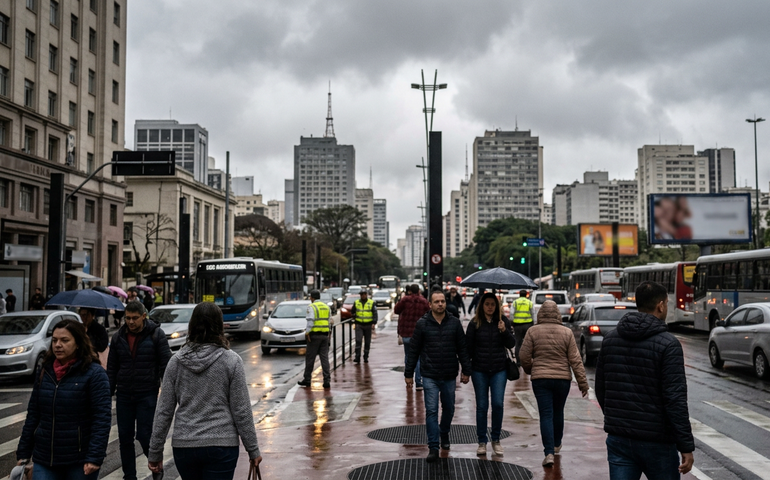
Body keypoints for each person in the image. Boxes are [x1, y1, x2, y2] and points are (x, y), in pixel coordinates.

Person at [148, 303, 262, 479]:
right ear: (220, 325)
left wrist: (155, 451)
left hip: (185, 445)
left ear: (192, 325)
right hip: (221, 445)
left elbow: (164, 410)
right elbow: (241, 410)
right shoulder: (231, 361)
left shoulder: (176, 362)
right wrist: (252, 449)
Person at [595, 281, 694, 479]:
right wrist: (685, 445)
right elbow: (675, 400)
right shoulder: (669, 344)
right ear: (660, 305)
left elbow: (601, 388)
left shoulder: (611, 339)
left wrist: (618, 418)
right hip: (658, 441)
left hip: (619, 438)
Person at [16, 319, 112, 479]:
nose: (58, 345)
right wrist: (24, 452)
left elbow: (101, 419)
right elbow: (33, 414)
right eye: (54, 340)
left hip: (79, 460)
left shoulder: (94, 373)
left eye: (64, 340)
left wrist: (95, 456)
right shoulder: (45, 371)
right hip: (45, 458)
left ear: (78, 343)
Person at [519, 300, 589, 467]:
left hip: (540, 380)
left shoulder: (533, 331)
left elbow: (523, 356)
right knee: (558, 412)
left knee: (546, 414)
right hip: (562, 380)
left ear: (540, 314)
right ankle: (557, 444)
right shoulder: (567, 332)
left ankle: (548, 452)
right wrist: (582, 383)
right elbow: (576, 360)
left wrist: (531, 370)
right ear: (557, 314)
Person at [107, 301, 172, 480]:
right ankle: (129, 476)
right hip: (124, 395)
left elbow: (166, 366)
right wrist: (107, 394)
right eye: (127, 318)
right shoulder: (118, 337)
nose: (130, 322)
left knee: (145, 435)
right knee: (125, 438)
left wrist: (168, 393)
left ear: (144, 316)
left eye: (135, 318)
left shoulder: (156, 334)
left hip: (147, 393)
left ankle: (156, 467)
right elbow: (112, 368)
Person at [405, 291, 471, 463]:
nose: (440, 304)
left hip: (449, 374)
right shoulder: (422, 324)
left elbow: (462, 348)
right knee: (432, 410)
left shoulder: (454, 323)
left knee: (449, 408)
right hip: (430, 374)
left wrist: (466, 370)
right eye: (436, 302)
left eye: (442, 301)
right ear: (430, 304)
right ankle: (433, 447)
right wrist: (409, 373)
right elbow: (414, 350)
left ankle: (444, 432)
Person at [465, 292, 515, 457]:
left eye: (493, 304)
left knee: (498, 404)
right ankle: (482, 441)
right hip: (479, 370)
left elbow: (511, 343)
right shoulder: (474, 323)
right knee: (482, 406)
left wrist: (504, 331)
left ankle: (496, 439)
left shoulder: (503, 321)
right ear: (482, 306)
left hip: (499, 370)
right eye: (487, 304)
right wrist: (466, 370)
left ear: (497, 306)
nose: (490, 307)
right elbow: (467, 348)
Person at [394, 284, 430, 391]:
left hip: (406, 332)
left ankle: (408, 379)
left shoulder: (405, 300)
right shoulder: (423, 301)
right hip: (419, 334)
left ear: (410, 291)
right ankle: (418, 382)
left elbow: (396, 310)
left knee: (408, 356)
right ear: (419, 291)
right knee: (419, 358)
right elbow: (429, 313)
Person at [298, 290, 332, 388]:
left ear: (311, 297)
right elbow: (329, 321)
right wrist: (329, 333)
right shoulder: (326, 307)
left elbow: (310, 321)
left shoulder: (312, 307)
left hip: (314, 336)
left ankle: (307, 379)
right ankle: (327, 380)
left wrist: (307, 332)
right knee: (324, 358)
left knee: (310, 358)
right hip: (324, 336)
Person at [351, 289, 377, 363]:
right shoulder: (356, 302)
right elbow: (352, 311)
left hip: (368, 325)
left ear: (366, 294)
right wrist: (354, 316)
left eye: (364, 294)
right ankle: (357, 357)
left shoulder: (371, 302)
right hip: (359, 324)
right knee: (358, 341)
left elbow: (375, 313)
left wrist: (373, 323)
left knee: (367, 342)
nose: (363, 295)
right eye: (362, 294)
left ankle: (366, 356)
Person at [511, 290, 533, 366]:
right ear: (526, 295)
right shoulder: (529, 302)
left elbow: (511, 313)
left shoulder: (515, 302)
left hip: (517, 325)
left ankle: (518, 361)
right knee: (528, 343)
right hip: (527, 324)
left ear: (519, 295)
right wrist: (533, 323)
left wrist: (512, 322)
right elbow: (533, 313)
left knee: (518, 343)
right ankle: (527, 360)